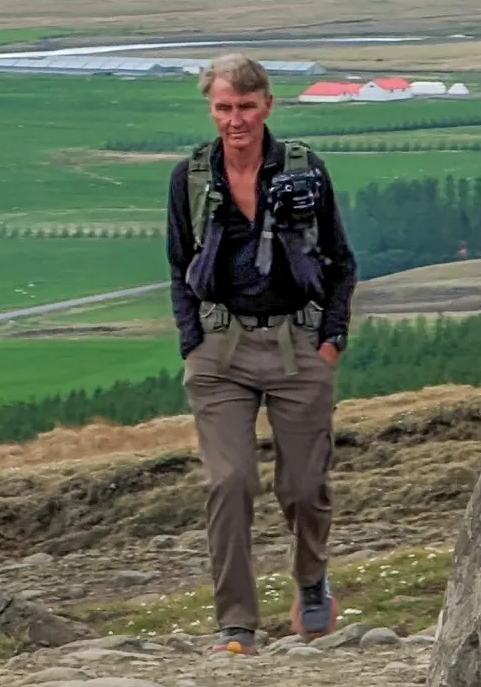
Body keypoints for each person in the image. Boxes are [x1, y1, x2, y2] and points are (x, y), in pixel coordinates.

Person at [166, 52, 356, 653]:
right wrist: (191, 341)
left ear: (267, 104)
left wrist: (330, 339)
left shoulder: (306, 169)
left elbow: (341, 263)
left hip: (299, 344)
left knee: (302, 488)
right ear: (210, 108)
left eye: (246, 107)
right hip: (219, 352)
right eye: (223, 108)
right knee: (229, 482)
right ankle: (237, 626)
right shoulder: (190, 177)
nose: (235, 120)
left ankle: (311, 582)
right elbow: (177, 266)